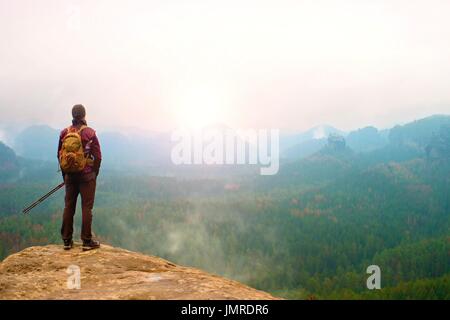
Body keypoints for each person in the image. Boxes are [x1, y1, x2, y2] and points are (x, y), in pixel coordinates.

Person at [58, 104, 102, 250]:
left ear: (72, 115)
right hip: (87, 177)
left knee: (69, 207)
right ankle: (86, 241)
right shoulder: (90, 133)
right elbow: (98, 156)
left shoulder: (64, 133)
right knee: (86, 208)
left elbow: (59, 155)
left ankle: (66, 240)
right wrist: (94, 173)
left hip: (70, 177)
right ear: (84, 115)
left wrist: (65, 175)